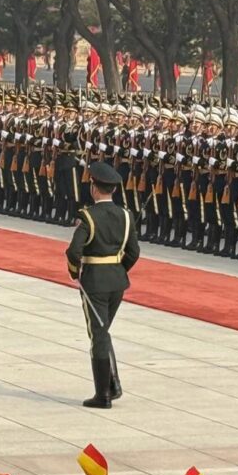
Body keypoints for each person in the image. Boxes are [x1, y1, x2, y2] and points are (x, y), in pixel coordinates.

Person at [65, 160, 140, 409]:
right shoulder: (127, 215)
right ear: (114, 190)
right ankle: (113, 383)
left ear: (94, 188)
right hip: (117, 281)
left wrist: (75, 272)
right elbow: (134, 252)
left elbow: (74, 251)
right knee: (102, 331)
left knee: (98, 334)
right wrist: (118, 269)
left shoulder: (87, 216)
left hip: (95, 281)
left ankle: (103, 395)